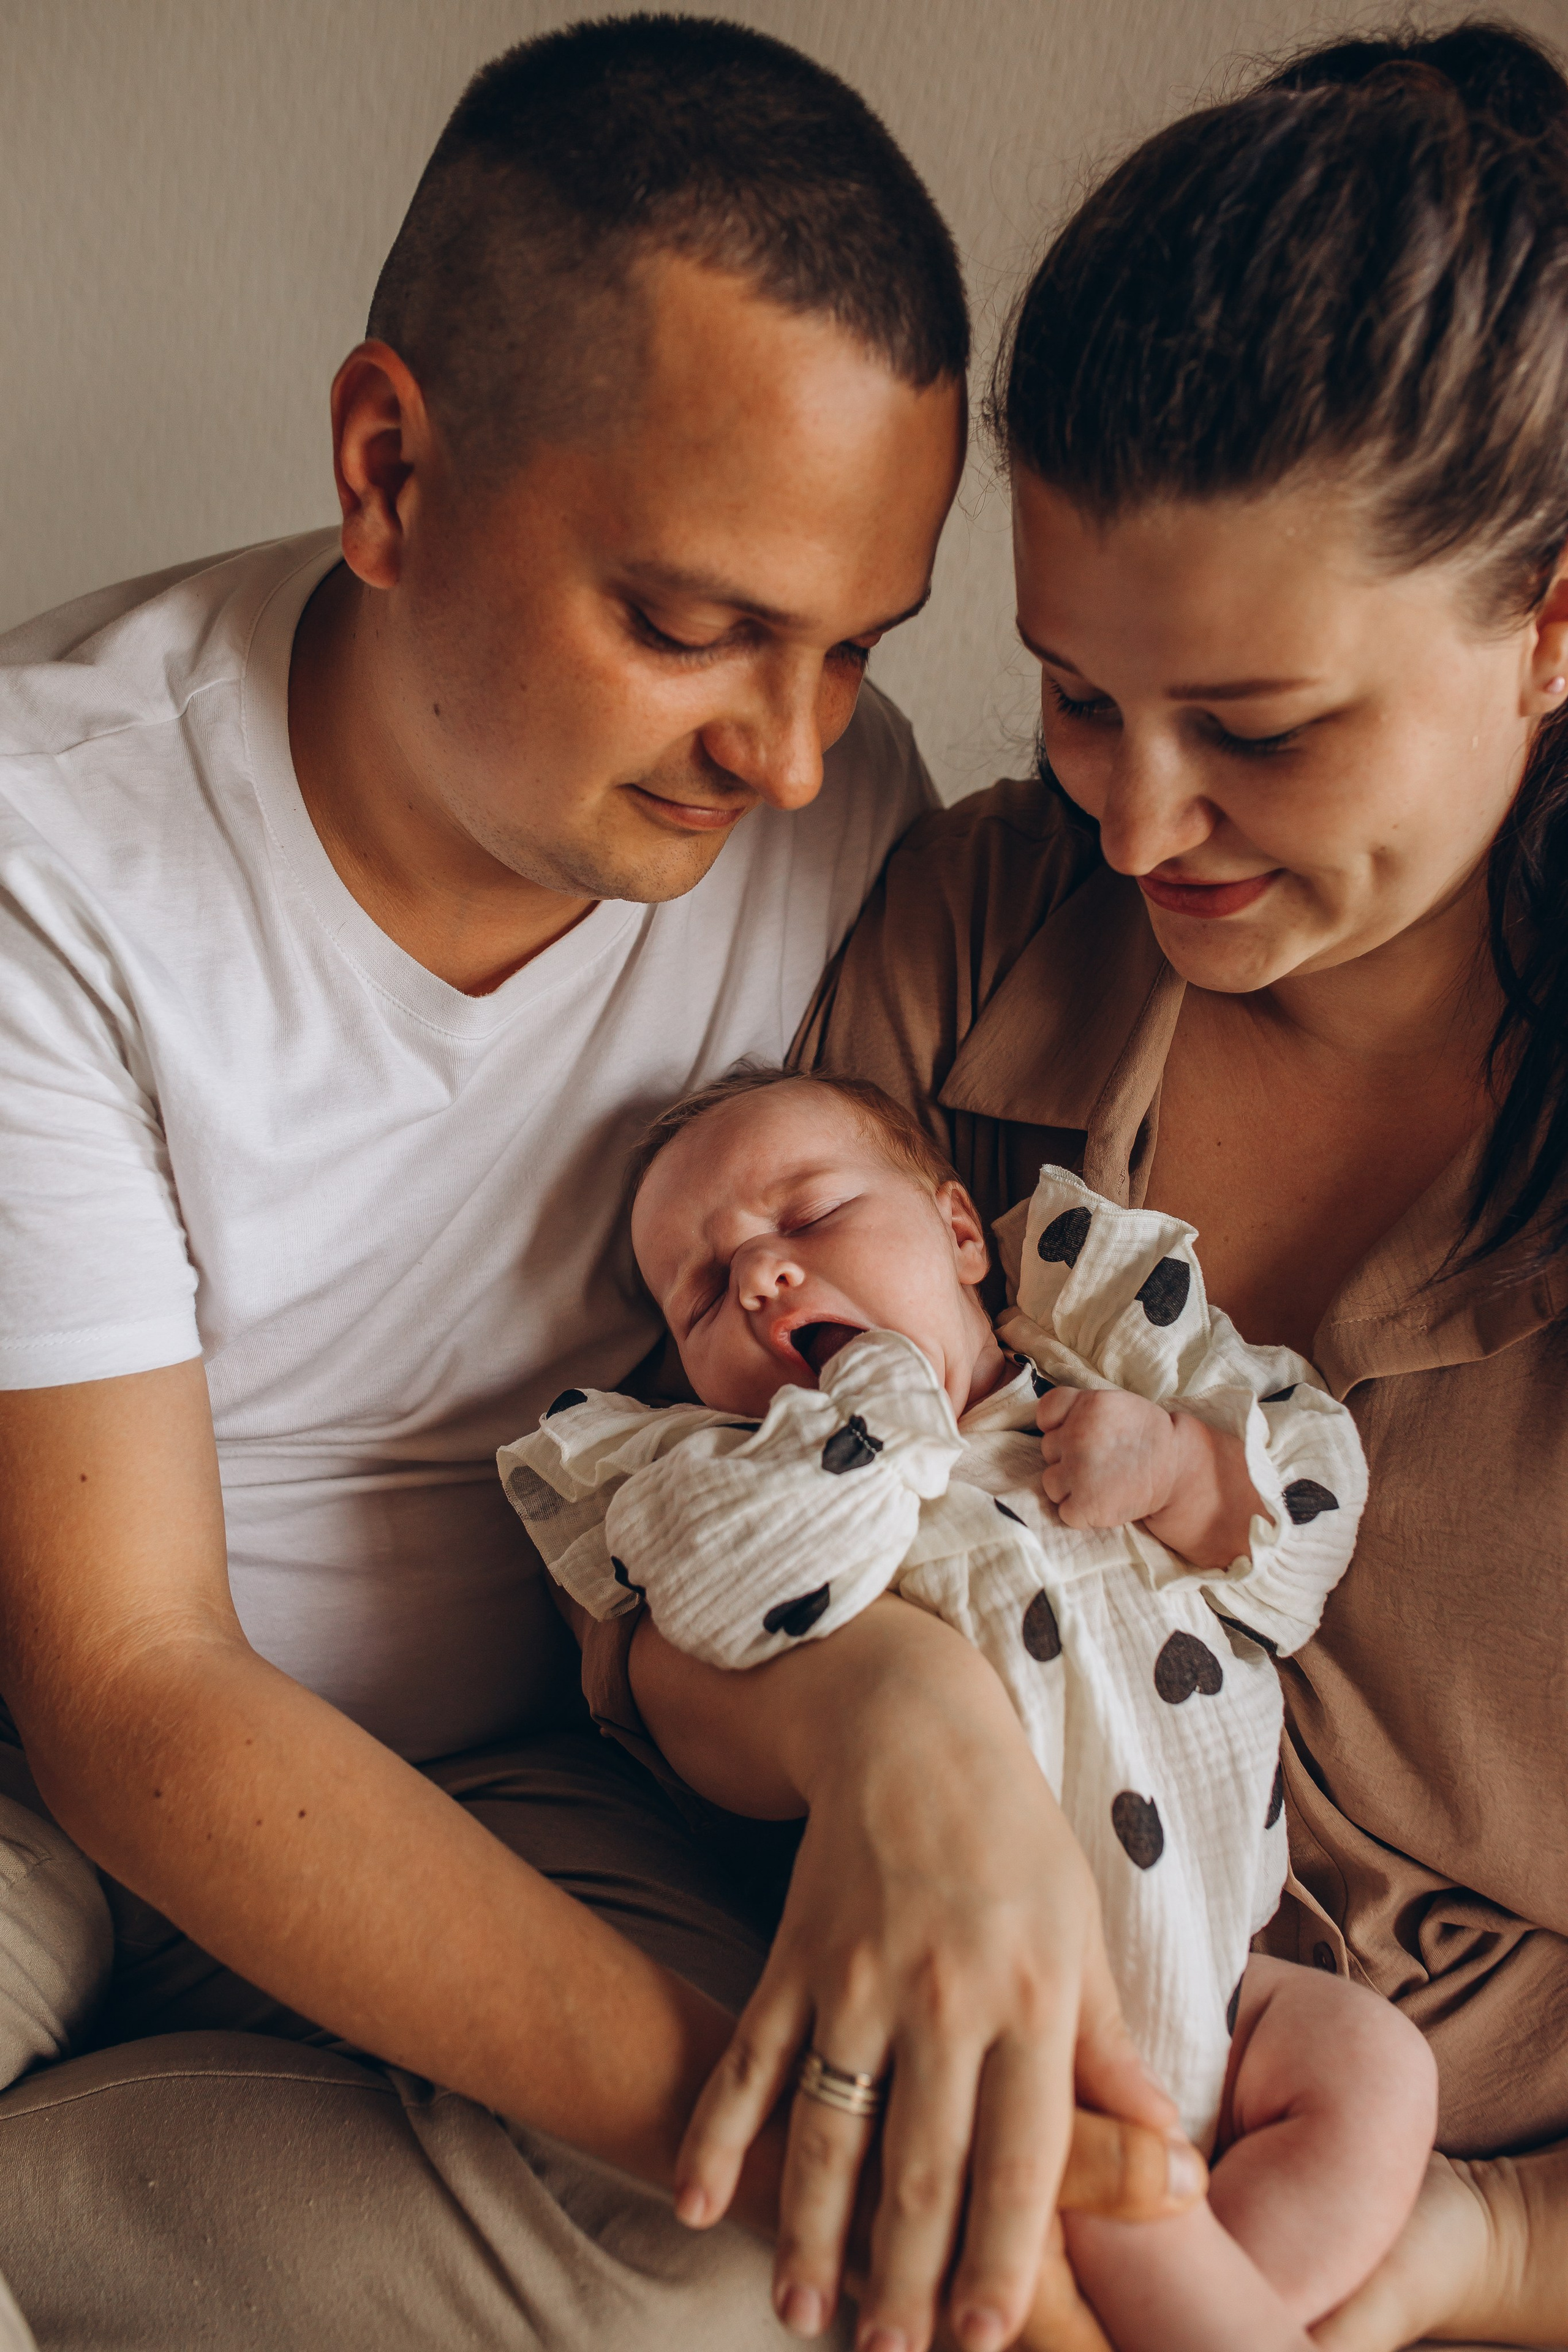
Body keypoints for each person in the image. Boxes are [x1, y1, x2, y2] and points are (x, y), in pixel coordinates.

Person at [0, 17, 1185, 2352]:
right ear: (389, 471)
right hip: (44, 1760)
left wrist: (821, 2121)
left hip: (554, 1769)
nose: (788, 745)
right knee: (818, 2203)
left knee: (745, 2289)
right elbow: (128, 1687)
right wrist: (822, 2134)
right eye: (689, 622)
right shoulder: (59, 859)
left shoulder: (832, 815)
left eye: (854, 644)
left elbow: (893, 1376)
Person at [773, 17, 1568, 2348]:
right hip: (936, 2106)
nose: (1136, 822)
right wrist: (894, 1737)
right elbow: (662, 1565)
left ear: (1550, 628)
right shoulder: (983, 921)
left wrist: (1481, 2255)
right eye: (1077, 696)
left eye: (1258, 727)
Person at [502, 1063, 1438, 2352]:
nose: (760, 1276)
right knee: (1122, 2203)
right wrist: (873, 1408)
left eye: (808, 1218)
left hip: (1234, 1977)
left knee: (1378, 2070)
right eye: (702, 1292)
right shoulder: (732, 1478)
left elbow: (1296, 1550)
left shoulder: (1101, 1379)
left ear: (956, 1232)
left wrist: (1177, 1464)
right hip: (999, 2017)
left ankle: (1226, 2310)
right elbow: (730, 1602)